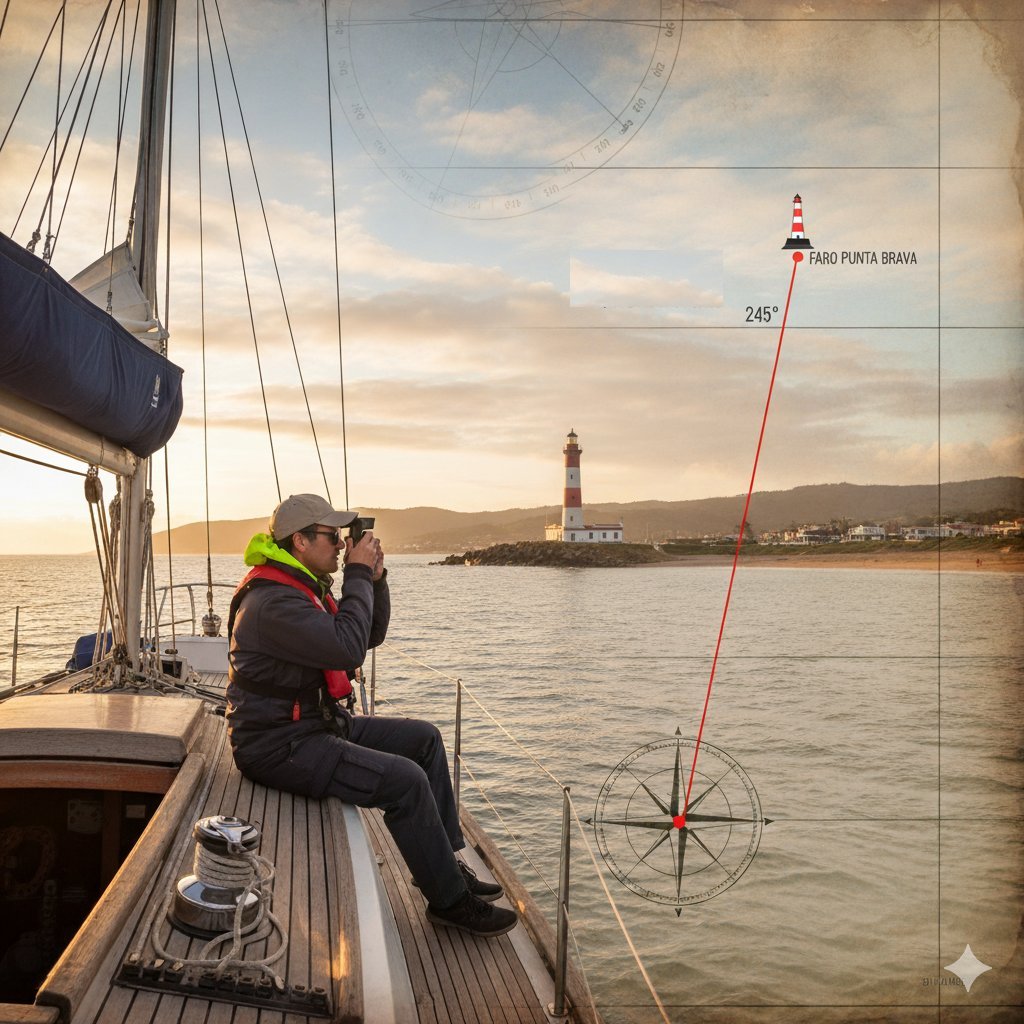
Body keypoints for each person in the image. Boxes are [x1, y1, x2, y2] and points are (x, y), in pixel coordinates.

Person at [226, 493, 517, 938]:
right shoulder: (274, 603)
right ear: (300, 541)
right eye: (332, 536)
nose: (342, 545)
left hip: (313, 726)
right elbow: (347, 647)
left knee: (425, 739)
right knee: (405, 781)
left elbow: (368, 635)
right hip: (278, 745)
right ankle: (450, 904)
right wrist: (357, 573)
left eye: (345, 538)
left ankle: (445, 867)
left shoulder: (300, 588)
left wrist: (374, 580)